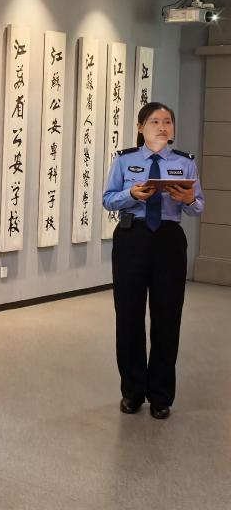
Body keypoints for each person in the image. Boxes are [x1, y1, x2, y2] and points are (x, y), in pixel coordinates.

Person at [102, 102, 204, 420]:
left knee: (167, 318)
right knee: (129, 317)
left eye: (168, 122)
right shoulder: (124, 160)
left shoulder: (185, 162)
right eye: (155, 121)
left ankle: (161, 395)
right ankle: (132, 391)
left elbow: (198, 207)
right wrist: (131, 195)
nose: (162, 127)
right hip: (132, 238)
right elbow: (108, 199)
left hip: (169, 241)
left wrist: (189, 199)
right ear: (140, 127)